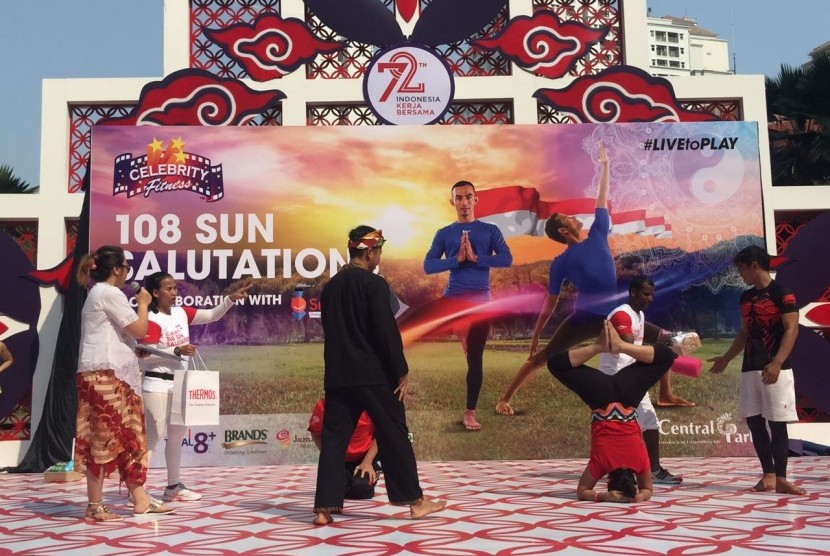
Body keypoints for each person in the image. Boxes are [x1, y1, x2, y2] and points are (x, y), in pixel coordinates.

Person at [313, 226, 446, 525]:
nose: (379, 258)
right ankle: (416, 501)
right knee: (394, 434)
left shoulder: (331, 287)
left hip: (338, 375)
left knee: (334, 440)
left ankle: (324, 508)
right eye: (379, 252)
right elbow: (386, 333)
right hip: (374, 375)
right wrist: (401, 370)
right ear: (370, 252)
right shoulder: (375, 285)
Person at [497, 142, 616, 416]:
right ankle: (504, 399)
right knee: (540, 359)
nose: (575, 217)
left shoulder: (598, 233)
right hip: (584, 318)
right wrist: (537, 334)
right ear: (564, 229)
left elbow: (602, 199)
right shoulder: (561, 262)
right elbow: (550, 303)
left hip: (616, 313)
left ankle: (667, 394)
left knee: (656, 340)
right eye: (569, 218)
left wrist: (606, 166)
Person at [74, 245, 173, 521]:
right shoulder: (108, 292)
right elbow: (140, 329)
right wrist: (142, 304)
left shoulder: (102, 293)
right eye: (126, 267)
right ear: (116, 269)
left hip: (118, 375)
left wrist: (133, 348)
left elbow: (125, 335)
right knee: (103, 439)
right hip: (104, 376)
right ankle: (94, 505)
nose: (128, 273)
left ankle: (140, 499)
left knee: (130, 438)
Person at [137, 272, 251, 502]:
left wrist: (230, 299)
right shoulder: (151, 319)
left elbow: (210, 315)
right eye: (168, 289)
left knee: (177, 437)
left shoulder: (180, 312)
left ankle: (173, 486)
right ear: (155, 293)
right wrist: (176, 351)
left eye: (175, 288)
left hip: (180, 384)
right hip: (156, 384)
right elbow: (144, 356)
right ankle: (136, 488)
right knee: (153, 438)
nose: (174, 292)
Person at [708, 245, 805, 495]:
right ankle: (769, 475)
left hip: (776, 368)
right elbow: (744, 332)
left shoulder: (783, 294)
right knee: (754, 420)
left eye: (742, 269)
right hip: (750, 367)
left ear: (754, 265)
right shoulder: (746, 297)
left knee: (777, 422)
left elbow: (792, 329)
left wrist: (777, 362)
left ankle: (782, 478)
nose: (741, 274)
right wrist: (727, 359)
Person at [548, 321, 678, 503]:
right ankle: (602, 347)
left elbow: (647, 490)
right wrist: (603, 496)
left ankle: (619, 346)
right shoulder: (600, 465)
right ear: (608, 479)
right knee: (555, 364)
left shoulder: (640, 463)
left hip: (627, 393)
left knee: (667, 356)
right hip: (601, 396)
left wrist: (637, 498)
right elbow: (582, 490)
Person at [423, 180, 513, 430]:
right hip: (452, 300)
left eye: (468, 197)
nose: (464, 202)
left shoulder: (490, 230)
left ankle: (470, 413)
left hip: (480, 305)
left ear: (476, 200)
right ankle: (459, 329)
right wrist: (457, 259)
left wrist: (476, 258)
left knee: (475, 359)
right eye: (459, 198)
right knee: (412, 328)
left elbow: (507, 258)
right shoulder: (444, 233)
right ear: (452, 201)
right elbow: (428, 265)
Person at [600, 276, 681, 485]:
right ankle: (618, 472)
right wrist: (663, 354)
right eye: (646, 294)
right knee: (621, 426)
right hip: (615, 377)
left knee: (650, 422)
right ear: (633, 292)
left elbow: (653, 332)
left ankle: (653, 470)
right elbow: (629, 347)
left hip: (632, 376)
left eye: (652, 294)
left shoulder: (639, 315)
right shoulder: (620, 315)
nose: (650, 298)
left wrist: (676, 339)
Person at [308, 397, 380, 500]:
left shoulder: (370, 403)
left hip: (364, 457)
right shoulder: (324, 403)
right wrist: (330, 456)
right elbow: (315, 432)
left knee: (361, 489)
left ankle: (368, 476)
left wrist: (367, 462)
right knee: (335, 491)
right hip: (339, 457)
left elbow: (381, 433)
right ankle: (347, 481)